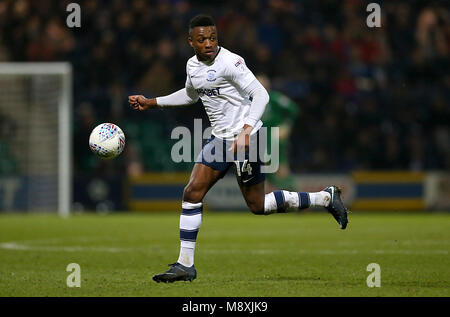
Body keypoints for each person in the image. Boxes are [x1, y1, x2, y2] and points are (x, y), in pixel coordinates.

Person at [128, 15, 348, 283]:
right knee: (192, 191)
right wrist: (152, 102)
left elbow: (262, 95)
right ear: (190, 42)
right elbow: (190, 94)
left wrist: (246, 131)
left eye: (213, 38)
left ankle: (324, 198)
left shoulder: (231, 62)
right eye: (202, 40)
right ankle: (185, 264)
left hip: (247, 140)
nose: (208, 43)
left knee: (258, 205)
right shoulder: (192, 66)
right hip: (219, 140)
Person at [257, 74, 299, 191]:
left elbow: (293, 108)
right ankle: (286, 195)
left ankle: (297, 195)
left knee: (280, 167)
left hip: (275, 138)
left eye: (262, 84)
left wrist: (286, 125)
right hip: (261, 139)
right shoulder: (252, 100)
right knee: (265, 167)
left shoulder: (275, 98)